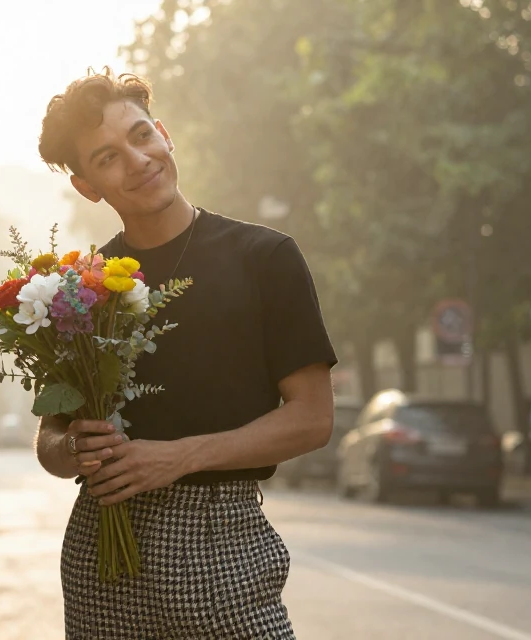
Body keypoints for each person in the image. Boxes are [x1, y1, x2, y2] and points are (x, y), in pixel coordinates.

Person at [34, 69, 337, 639]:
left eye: (142, 136)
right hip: (104, 555)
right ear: (86, 186)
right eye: (107, 157)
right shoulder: (80, 290)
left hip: (224, 548)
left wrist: (177, 458)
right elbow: (50, 441)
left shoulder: (265, 258)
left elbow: (313, 419)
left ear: (165, 134)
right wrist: (72, 445)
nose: (138, 160)